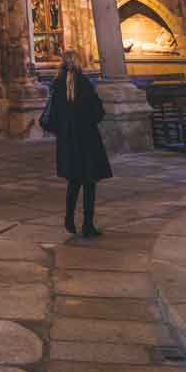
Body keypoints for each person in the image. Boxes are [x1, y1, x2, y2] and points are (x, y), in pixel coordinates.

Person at [45, 49, 112, 237]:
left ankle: (69, 219)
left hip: (68, 141)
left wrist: (64, 131)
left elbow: (53, 117)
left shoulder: (57, 85)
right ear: (79, 63)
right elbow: (98, 111)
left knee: (73, 182)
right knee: (89, 182)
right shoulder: (85, 84)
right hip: (87, 139)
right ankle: (88, 224)